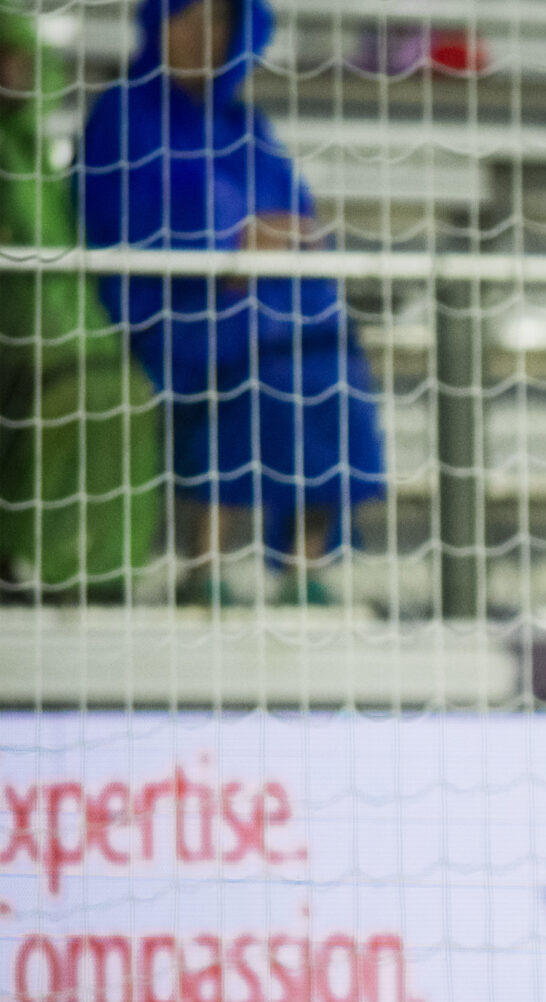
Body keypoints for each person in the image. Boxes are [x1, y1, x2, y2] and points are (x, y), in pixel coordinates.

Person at [78, 0, 385, 606]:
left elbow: (296, 213)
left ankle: (305, 566)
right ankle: (207, 565)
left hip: (264, 302)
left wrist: (284, 236)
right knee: (247, 359)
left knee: (326, 351)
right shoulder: (123, 114)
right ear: (156, 23)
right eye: (187, 17)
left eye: (220, 22)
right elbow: (120, 214)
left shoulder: (248, 128)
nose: (203, 36)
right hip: (171, 302)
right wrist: (227, 241)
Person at [0, 1, 161, 603]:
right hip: (22, 347)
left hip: (60, 340)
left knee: (122, 390)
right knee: (72, 392)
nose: (12, 72)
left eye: (20, 58)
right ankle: (22, 556)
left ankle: (93, 573)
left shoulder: (35, 160)